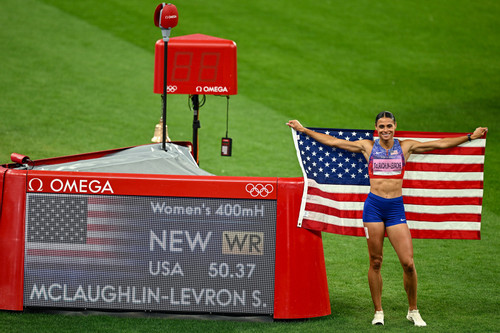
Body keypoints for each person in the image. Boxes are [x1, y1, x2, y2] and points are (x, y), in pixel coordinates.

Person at [286, 112, 488, 327]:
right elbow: (335, 142)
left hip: (395, 209)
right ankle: (378, 311)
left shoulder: (405, 147)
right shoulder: (367, 147)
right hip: (373, 208)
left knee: (408, 263)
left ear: (395, 126)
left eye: (389, 126)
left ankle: (413, 310)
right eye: (381, 126)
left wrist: (470, 137)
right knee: (375, 261)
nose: (385, 130)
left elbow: (439, 144)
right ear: (376, 128)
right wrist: (304, 130)